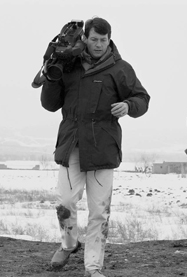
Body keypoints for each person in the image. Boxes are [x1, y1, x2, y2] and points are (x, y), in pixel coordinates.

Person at [40, 17, 150, 277]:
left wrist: (129, 106)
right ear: (85, 39)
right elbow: (49, 104)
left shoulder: (120, 69)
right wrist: (51, 72)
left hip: (103, 147)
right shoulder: (69, 66)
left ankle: (93, 268)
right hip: (71, 144)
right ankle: (69, 244)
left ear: (109, 39)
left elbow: (142, 99)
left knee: (99, 211)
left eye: (103, 40)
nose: (98, 44)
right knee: (65, 202)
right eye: (94, 39)